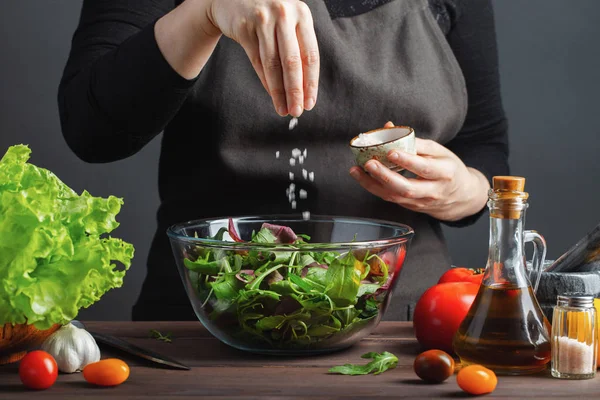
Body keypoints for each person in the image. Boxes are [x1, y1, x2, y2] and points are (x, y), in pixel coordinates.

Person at [58, 0, 508, 321]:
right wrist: (204, 13)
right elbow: (91, 131)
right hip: (205, 323)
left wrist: (467, 192)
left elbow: (484, 142)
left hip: (401, 327)